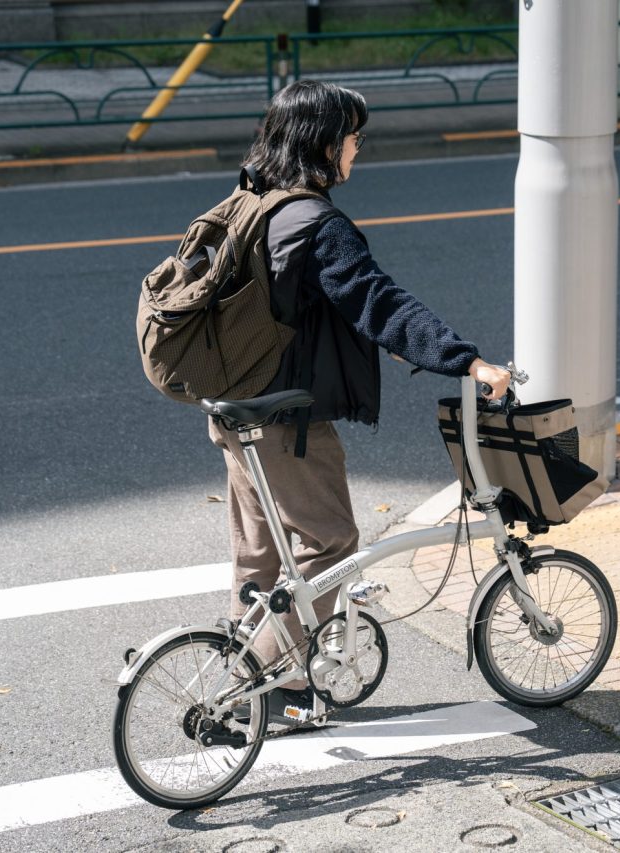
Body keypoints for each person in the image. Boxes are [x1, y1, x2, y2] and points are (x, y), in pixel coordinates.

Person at [208, 80, 511, 720]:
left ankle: (276, 690)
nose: (357, 148)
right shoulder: (320, 224)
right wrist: (466, 360)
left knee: (263, 555)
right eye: (352, 136)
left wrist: (385, 342)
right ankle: (246, 683)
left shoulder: (252, 201)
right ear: (323, 144)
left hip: (235, 410)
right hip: (287, 420)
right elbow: (380, 301)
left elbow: (295, 303)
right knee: (329, 550)